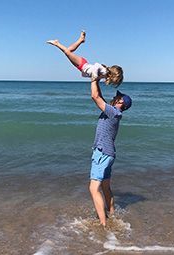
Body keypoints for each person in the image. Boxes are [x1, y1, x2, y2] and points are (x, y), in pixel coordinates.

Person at [89, 77, 132, 226]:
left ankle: (103, 224)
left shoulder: (113, 112)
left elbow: (95, 97)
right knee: (105, 187)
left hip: (102, 153)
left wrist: (94, 78)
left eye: (117, 97)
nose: (114, 97)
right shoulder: (114, 112)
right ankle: (112, 214)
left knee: (93, 189)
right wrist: (98, 81)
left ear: (120, 102)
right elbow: (99, 96)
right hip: (109, 154)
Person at [47, 31, 123, 87]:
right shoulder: (104, 71)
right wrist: (95, 76)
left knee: (69, 50)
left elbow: (97, 76)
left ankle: (81, 40)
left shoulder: (104, 75)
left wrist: (96, 79)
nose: (112, 82)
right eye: (114, 81)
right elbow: (97, 65)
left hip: (81, 67)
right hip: (82, 64)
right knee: (67, 52)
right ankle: (57, 43)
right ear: (112, 75)